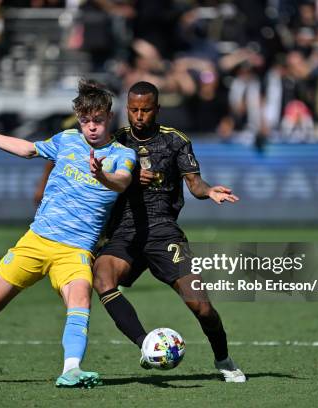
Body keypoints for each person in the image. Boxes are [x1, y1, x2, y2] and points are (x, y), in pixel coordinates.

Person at [0, 80, 136, 388]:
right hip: (37, 241)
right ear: (79, 119)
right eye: (86, 120)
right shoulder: (66, 140)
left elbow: (122, 182)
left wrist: (102, 174)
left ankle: (72, 369)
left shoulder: (121, 154)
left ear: (110, 118)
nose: (91, 127)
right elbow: (27, 149)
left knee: (81, 302)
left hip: (75, 250)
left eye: (98, 120)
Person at [93, 81, 246, 383]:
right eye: (134, 110)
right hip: (125, 231)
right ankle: (146, 345)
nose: (139, 116)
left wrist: (209, 191)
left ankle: (224, 359)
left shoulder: (175, 141)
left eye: (145, 110)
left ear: (157, 109)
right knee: (102, 276)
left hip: (164, 231)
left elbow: (195, 184)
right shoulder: (115, 140)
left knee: (201, 307)